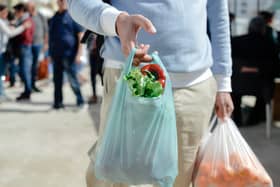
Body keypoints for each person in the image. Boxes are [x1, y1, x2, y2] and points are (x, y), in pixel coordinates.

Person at [66, 0, 234, 187]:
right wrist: (116, 21)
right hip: (127, 77)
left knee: (179, 179)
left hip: (192, 85)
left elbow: (218, 15)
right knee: (113, 177)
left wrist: (223, 82)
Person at [231, 17, 280, 126]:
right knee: (268, 89)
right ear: (263, 29)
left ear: (249, 28)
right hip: (261, 87)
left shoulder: (235, 42)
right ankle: (253, 120)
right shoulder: (270, 46)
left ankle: (237, 120)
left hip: (237, 85)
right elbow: (276, 70)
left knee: (234, 87)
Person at [49, 0, 84, 109]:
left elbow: (80, 36)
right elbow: (51, 37)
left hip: (69, 55)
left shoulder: (72, 16)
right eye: (60, 1)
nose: (62, 2)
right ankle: (58, 103)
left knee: (72, 79)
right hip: (56, 55)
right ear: (57, 2)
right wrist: (50, 54)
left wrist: (79, 54)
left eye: (64, 1)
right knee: (57, 80)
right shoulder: (54, 18)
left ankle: (80, 101)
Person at [0, 4, 30, 102]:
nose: (6, 14)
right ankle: (1, 94)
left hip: (3, 50)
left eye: (7, 12)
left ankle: (2, 93)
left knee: (2, 73)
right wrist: (23, 27)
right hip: (1, 51)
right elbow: (10, 33)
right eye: (4, 12)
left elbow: (9, 28)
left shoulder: (3, 21)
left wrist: (13, 24)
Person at [13, 3, 35, 101]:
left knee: (24, 70)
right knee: (23, 70)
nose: (15, 13)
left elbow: (27, 36)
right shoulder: (24, 20)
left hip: (24, 46)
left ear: (21, 11)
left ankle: (27, 92)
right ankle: (27, 90)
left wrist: (16, 32)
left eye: (16, 11)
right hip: (24, 47)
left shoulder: (26, 21)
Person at [27, 1, 49, 93]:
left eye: (32, 6)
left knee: (35, 66)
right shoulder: (27, 16)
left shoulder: (40, 16)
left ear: (35, 7)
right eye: (29, 7)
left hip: (38, 44)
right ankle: (29, 85)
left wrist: (46, 44)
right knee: (28, 66)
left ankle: (33, 84)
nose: (31, 8)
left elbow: (46, 31)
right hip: (28, 45)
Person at [87, 34, 104, 104]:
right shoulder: (90, 35)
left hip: (101, 58)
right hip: (93, 57)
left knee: (103, 77)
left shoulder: (103, 35)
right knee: (93, 77)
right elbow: (88, 46)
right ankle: (94, 95)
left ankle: (107, 94)